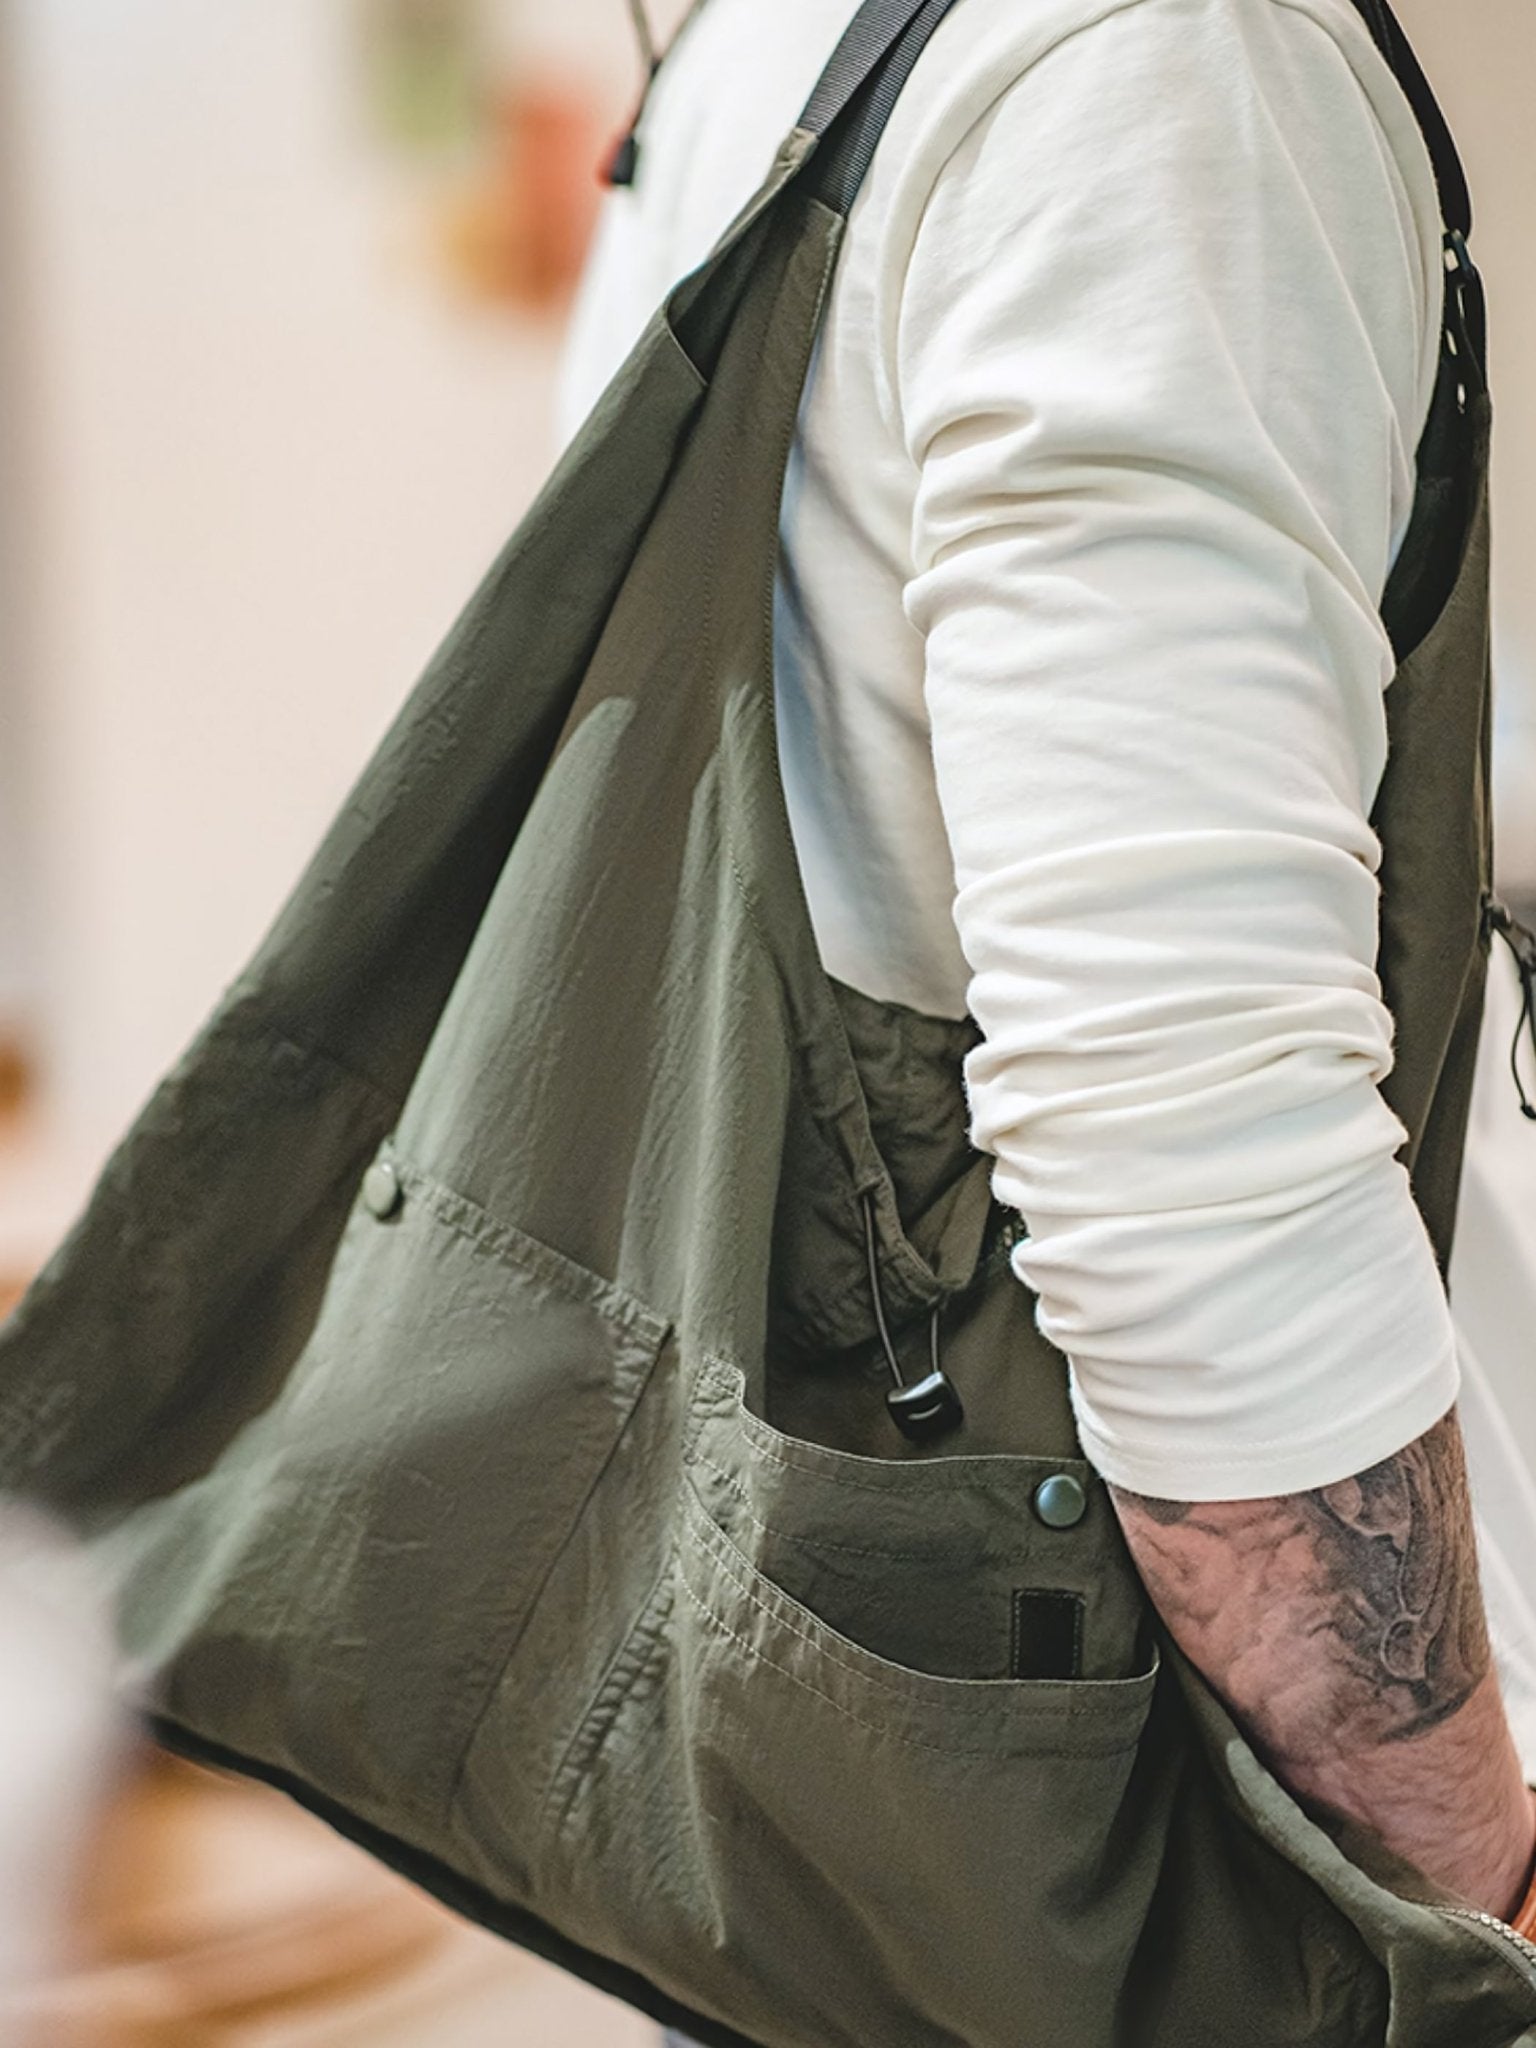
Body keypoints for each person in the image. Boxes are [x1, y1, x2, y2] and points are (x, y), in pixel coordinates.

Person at [557, 0, 1536, 1981]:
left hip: (829, 1757)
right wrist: (1483, 1904)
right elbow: (1181, 1143)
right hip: (1253, 1829)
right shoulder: (1165, 65)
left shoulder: (762, 43)